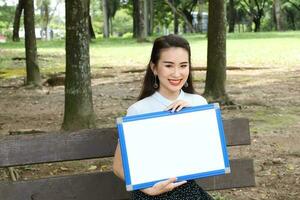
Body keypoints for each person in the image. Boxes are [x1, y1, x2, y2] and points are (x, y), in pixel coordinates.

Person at [113, 34, 214, 200]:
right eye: (168, 65)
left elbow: (208, 154)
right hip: (152, 195)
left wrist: (194, 117)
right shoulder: (139, 110)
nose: (176, 73)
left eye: (183, 65)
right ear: (154, 68)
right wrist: (148, 189)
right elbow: (118, 167)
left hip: (189, 193)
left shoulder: (198, 102)